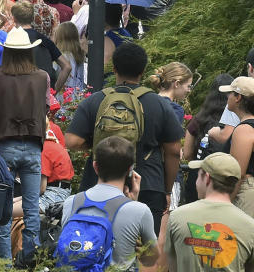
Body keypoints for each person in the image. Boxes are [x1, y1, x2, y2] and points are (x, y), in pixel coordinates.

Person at [65, 42, 183, 234]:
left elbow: (72, 141)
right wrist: (167, 190)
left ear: (114, 69)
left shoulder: (95, 100)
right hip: (148, 183)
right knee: (143, 249)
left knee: (96, 240)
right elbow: (174, 151)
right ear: (143, 71)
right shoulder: (159, 104)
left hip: (98, 183)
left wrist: (99, 143)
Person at [60, 136, 158, 272]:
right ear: (130, 170)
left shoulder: (71, 203)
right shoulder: (139, 210)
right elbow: (150, 259)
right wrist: (134, 202)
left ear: (95, 166)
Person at [0, 28, 50, 265]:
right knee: (32, 208)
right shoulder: (42, 76)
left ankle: (4, 263)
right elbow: (44, 108)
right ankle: (28, 260)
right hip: (33, 146)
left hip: (4, 146)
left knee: (3, 209)